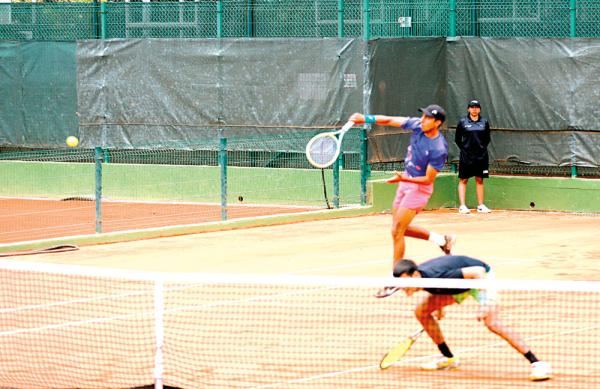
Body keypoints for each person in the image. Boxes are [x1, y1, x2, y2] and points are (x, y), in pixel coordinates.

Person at [350, 105, 456, 297]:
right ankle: (441, 240)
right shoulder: (417, 126)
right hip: (406, 179)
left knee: (397, 230)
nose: (422, 120)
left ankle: (395, 279)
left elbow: (428, 179)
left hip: (418, 187)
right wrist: (365, 118)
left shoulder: (438, 148)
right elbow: (389, 119)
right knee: (399, 228)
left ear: (437, 123)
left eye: (427, 118)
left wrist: (403, 179)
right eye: (422, 117)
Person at [392, 255, 552, 381]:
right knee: (421, 311)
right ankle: (448, 358)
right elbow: (436, 287)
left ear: (415, 274)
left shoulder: (438, 275)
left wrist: (485, 302)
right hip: (458, 286)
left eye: (405, 282)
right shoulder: (422, 278)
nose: (403, 287)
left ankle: (537, 363)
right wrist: (438, 306)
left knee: (492, 323)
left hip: (479, 279)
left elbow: (477, 272)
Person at [455, 99, 491, 214]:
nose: (474, 109)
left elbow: (487, 139)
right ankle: (462, 206)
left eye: (476, 107)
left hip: (481, 156)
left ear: (479, 109)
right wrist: (465, 149)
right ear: (468, 109)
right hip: (466, 156)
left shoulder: (484, 122)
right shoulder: (462, 122)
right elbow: (457, 139)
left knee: (480, 179)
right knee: (463, 179)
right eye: (472, 107)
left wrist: (480, 149)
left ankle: (480, 205)